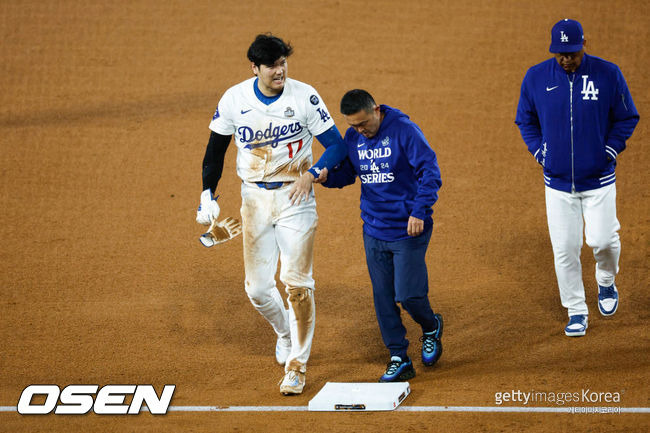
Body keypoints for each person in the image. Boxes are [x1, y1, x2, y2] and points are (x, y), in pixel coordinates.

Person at [196, 33, 347, 394]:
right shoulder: (235, 99)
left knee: (297, 284)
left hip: (296, 198)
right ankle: (284, 333)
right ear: (255, 68)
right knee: (259, 290)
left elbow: (337, 145)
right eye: (272, 66)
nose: (280, 71)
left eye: (283, 63)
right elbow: (215, 150)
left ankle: (297, 365)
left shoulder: (304, 96)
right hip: (254, 201)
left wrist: (311, 175)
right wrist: (207, 193)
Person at [515, 19, 639, 336]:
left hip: (599, 181)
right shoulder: (536, 77)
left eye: (572, 52)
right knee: (565, 250)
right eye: (561, 53)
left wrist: (609, 151)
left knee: (604, 242)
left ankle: (606, 281)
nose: (566, 59)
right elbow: (525, 119)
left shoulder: (608, 74)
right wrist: (539, 152)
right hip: (557, 186)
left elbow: (627, 116)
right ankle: (576, 310)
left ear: (584, 45)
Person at [317, 89, 443, 382]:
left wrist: (419, 211)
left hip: (408, 227)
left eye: (364, 124)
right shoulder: (354, 137)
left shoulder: (404, 131)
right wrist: (328, 178)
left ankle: (430, 326)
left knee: (408, 295)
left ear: (375, 110)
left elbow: (430, 172)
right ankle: (399, 356)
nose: (360, 131)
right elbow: (349, 174)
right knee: (383, 297)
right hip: (374, 229)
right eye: (353, 126)